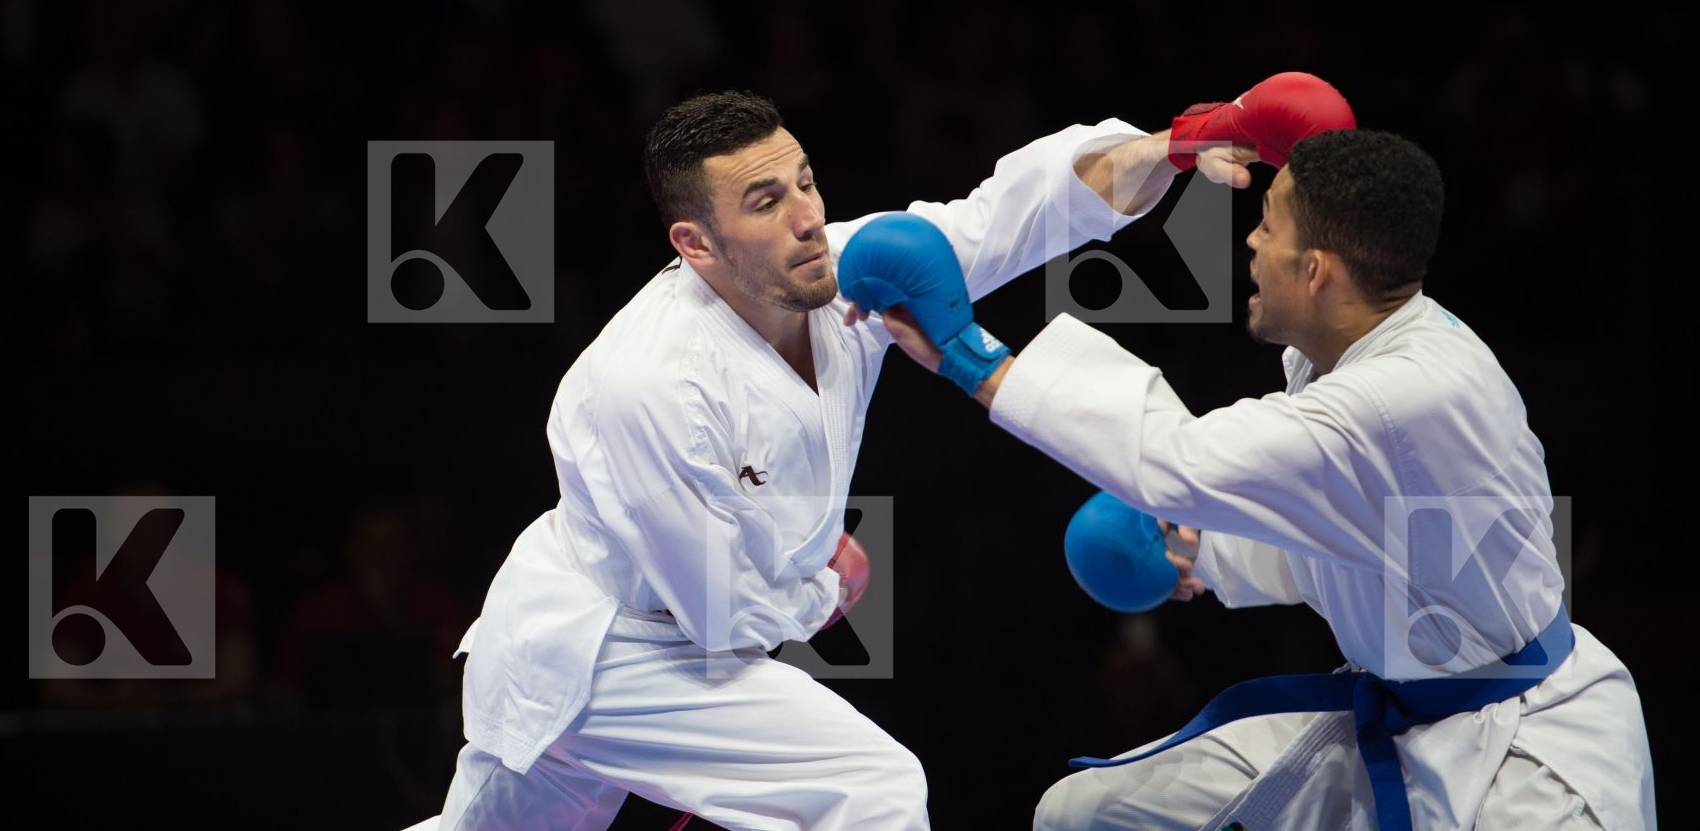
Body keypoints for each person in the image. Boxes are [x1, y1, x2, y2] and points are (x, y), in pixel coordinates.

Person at [413, 81, 1347, 831]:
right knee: (871, 791)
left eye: (805, 183)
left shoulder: (849, 272)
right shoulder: (648, 385)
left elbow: (1010, 216)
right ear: (694, 244)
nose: (806, 218)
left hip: (624, 641)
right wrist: (824, 580)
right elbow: (721, 616)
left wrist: (1170, 146)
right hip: (606, 649)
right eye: (765, 202)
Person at [843, 126, 1656, 830]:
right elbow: (1361, 540)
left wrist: (972, 357)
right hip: (1403, 719)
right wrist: (1204, 554)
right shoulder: (1350, 357)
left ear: (1318, 271)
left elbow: (1181, 463)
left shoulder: (1403, 396)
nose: (1250, 244)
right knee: (1083, 814)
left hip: (1527, 760)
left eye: (1268, 225)